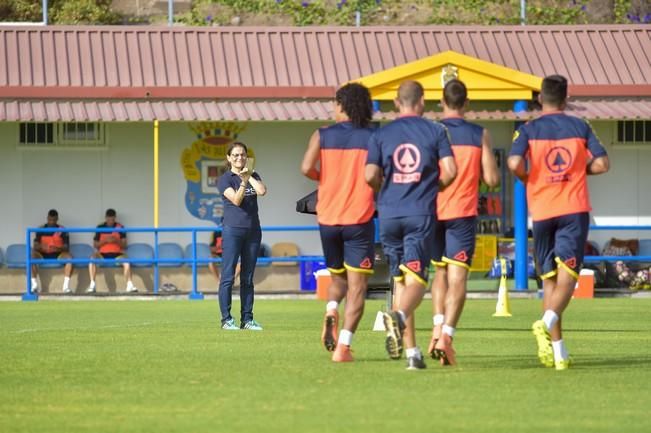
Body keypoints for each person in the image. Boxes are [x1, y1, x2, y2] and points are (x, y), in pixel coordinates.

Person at [507, 74, 609, 370]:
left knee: (550, 280)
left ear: (540, 98)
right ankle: (546, 321)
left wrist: (531, 178)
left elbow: (514, 163)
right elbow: (603, 163)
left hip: (542, 209)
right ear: (566, 99)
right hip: (572, 207)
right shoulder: (580, 126)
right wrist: (578, 170)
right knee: (570, 275)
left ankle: (559, 353)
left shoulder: (528, 129)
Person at [365, 80, 457, 370]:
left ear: (396, 102)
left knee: (402, 281)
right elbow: (452, 171)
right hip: (420, 213)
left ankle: (413, 355)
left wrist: (385, 189)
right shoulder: (436, 131)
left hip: (389, 214)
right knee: (418, 280)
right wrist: (434, 186)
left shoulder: (382, 134)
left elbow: (369, 175)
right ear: (421, 102)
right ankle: (400, 317)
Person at [426, 79, 500, 366]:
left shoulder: (432, 131)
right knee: (458, 278)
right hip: (462, 214)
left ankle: (435, 327)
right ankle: (447, 337)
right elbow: (493, 180)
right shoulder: (479, 133)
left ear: (441, 103)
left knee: (439, 274)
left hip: (433, 212)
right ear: (466, 104)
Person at [301, 82, 376, 363]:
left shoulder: (322, 134)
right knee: (357, 287)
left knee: (337, 279)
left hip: (328, 218)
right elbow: (375, 173)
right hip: (358, 218)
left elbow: (306, 167)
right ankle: (343, 347)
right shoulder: (372, 137)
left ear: (342, 105)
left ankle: (332, 307)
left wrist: (325, 179)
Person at [217, 142, 267, 331]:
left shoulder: (254, 175)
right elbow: (237, 201)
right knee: (228, 277)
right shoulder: (225, 179)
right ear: (229, 158)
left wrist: (249, 176)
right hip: (233, 231)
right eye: (236, 155)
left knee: (247, 277)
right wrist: (243, 181)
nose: (240, 158)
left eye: (243, 155)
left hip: (253, 231)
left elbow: (262, 191)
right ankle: (227, 320)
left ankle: (247, 319)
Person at [87, 209, 138, 293]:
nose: (110, 221)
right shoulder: (100, 227)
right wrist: (105, 241)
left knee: (127, 261)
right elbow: (95, 245)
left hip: (117, 254)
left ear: (115, 218)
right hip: (102, 254)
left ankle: (129, 285)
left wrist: (116, 240)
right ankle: (92, 285)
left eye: (112, 219)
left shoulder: (120, 227)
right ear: (106, 218)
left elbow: (124, 245)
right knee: (92, 258)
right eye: (109, 219)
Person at [31, 209, 73, 294]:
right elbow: (35, 245)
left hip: (58, 254)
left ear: (57, 219)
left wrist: (57, 248)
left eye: (54, 220)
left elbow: (66, 247)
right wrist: (42, 247)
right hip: (43, 254)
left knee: (70, 258)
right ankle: (34, 285)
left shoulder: (62, 229)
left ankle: (65, 287)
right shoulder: (41, 229)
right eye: (50, 220)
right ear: (47, 218)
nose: (52, 222)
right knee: (31, 257)